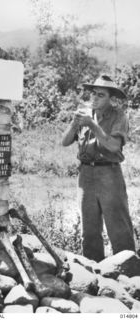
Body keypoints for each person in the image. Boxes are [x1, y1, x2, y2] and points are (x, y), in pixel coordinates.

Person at [62, 75, 135, 262]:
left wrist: (93, 126)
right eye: (93, 94)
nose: (94, 98)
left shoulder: (119, 116)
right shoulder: (85, 113)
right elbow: (65, 142)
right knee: (89, 229)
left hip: (109, 174)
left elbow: (113, 146)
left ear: (111, 99)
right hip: (86, 175)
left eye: (100, 95)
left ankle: (129, 275)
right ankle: (95, 274)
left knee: (118, 228)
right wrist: (74, 123)